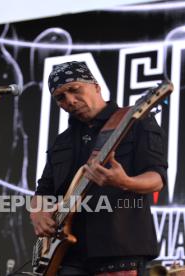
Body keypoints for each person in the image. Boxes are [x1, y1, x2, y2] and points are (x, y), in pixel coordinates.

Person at [29, 61, 167, 275]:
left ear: (96, 86)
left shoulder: (135, 121)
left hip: (118, 251)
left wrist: (124, 182)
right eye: (60, 97)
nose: (70, 101)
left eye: (75, 90)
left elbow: (157, 178)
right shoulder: (61, 141)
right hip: (66, 256)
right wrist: (37, 213)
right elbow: (44, 190)